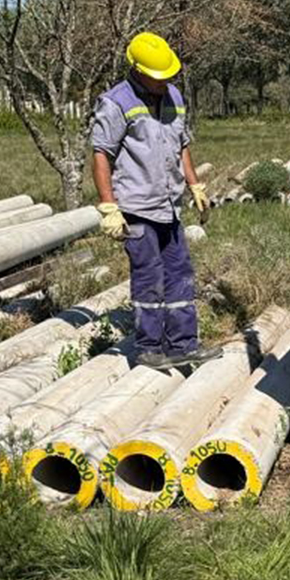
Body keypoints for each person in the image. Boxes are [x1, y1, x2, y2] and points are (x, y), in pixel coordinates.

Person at [88, 32, 216, 371]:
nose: (164, 83)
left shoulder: (173, 95)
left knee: (180, 275)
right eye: (157, 78)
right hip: (136, 208)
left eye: (167, 77)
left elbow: (182, 143)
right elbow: (102, 155)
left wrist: (195, 185)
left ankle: (183, 344)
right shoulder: (116, 103)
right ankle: (149, 348)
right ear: (137, 70)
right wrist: (109, 206)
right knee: (149, 277)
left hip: (169, 205)